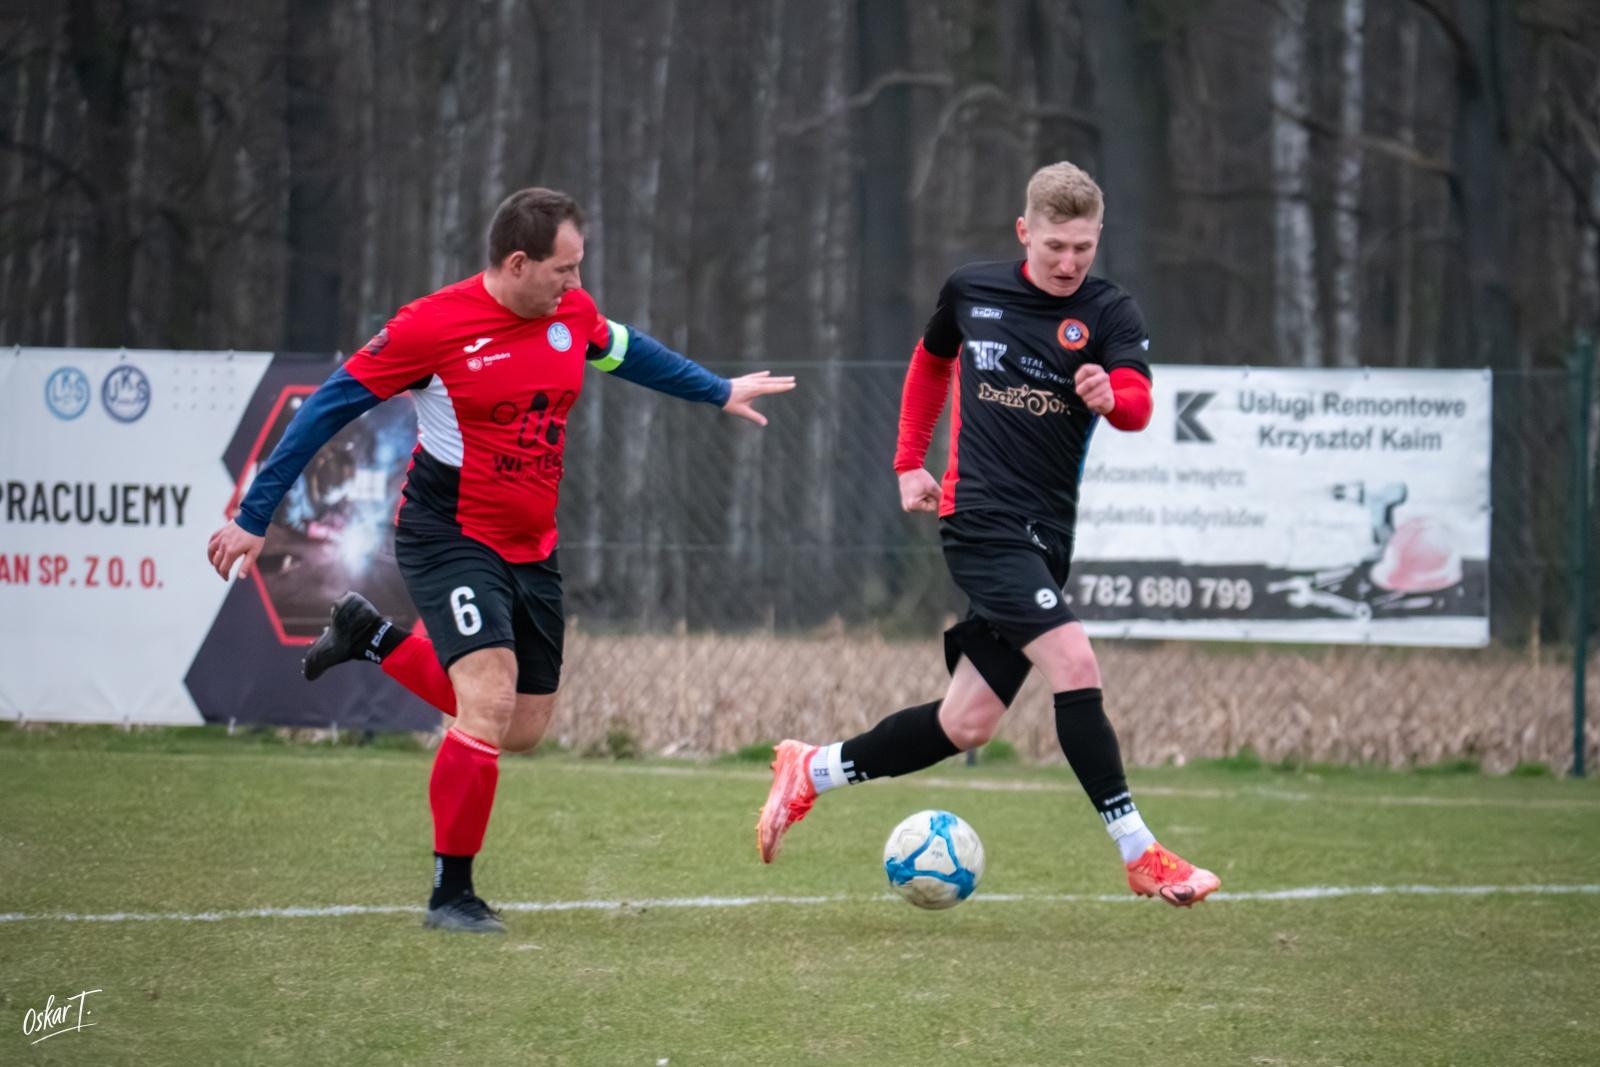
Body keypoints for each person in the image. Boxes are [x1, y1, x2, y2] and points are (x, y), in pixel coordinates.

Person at [207, 187, 795, 933]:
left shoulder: (571, 314)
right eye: (563, 269)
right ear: (518, 263)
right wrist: (254, 515)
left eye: (579, 267)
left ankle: (371, 637)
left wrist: (717, 390)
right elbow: (327, 407)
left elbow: (626, 349)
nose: (575, 283)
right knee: (486, 704)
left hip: (533, 543)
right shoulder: (431, 327)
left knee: (521, 728)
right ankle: (450, 895)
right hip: (448, 533)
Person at [755, 162, 1219, 907]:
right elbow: (930, 363)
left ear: (1099, 238)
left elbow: (1137, 401)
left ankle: (811, 770)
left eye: (1083, 247)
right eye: (1054, 246)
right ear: (1024, 232)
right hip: (980, 520)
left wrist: (1112, 396)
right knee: (1074, 659)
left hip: (1046, 536)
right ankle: (1140, 852)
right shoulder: (973, 290)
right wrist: (909, 461)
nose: (1068, 262)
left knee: (966, 722)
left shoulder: (1109, 310)